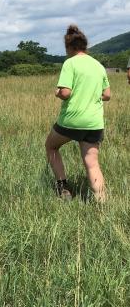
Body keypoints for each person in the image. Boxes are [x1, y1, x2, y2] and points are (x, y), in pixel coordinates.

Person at [45, 25, 110, 202]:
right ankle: (101, 202)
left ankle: (63, 188)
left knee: (51, 146)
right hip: (94, 122)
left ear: (70, 48)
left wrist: (58, 92)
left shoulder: (70, 63)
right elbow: (107, 95)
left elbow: (65, 92)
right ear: (85, 46)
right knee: (92, 163)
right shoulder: (98, 65)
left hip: (71, 121)